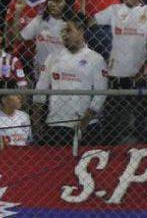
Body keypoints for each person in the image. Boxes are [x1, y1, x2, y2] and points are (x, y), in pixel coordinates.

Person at [33, 18, 107, 146]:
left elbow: (101, 93)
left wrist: (84, 122)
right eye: (62, 32)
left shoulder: (96, 59)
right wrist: (36, 119)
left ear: (81, 31)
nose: (64, 35)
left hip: (87, 126)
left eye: (68, 30)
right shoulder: (53, 57)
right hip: (56, 123)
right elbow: (41, 88)